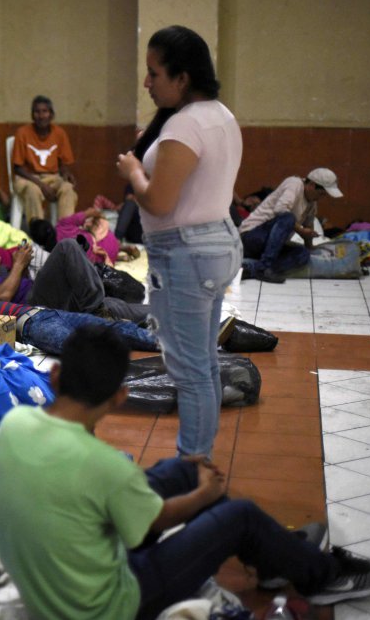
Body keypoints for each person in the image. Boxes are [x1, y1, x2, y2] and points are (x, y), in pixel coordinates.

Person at [0, 325, 370, 619]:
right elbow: (152, 521)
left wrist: (192, 484)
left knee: (178, 471)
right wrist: (204, 494)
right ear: (120, 396)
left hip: (49, 583)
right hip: (105, 605)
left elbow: (96, 486)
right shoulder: (102, 464)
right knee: (239, 515)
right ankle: (322, 577)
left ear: (55, 375)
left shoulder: (15, 424)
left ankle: (277, 559)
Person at [116, 25, 243, 458]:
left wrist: (134, 172)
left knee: (189, 372)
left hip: (186, 253)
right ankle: (199, 463)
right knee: (203, 364)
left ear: (182, 77)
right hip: (216, 242)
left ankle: (192, 467)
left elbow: (158, 201)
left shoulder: (185, 127)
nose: (147, 83)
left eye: (154, 73)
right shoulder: (220, 115)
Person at [0, 273, 160, 353]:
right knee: (83, 347)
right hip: (31, 325)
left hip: (45, 312)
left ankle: (164, 343)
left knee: (109, 327)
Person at [0, 240, 148, 323]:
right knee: (67, 247)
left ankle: (171, 314)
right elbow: (2, 296)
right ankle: (94, 306)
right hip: (34, 302)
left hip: (41, 293)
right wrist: (18, 264)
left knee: (120, 308)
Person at [239, 168, 343, 283]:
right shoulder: (294, 183)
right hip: (250, 237)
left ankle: (253, 269)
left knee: (302, 254)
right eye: (321, 193)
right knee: (288, 217)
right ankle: (264, 267)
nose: (321, 198)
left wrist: (310, 246)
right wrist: (301, 231)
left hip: (268, 247)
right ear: (312, 185)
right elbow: (281, 210)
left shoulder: (312, 204)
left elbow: (308, 230)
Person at [12, 95, 79, 224]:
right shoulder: (22, 133)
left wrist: (66, 174)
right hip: (28, 178)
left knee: (68, 189)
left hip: (53, 177)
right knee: (33, 190)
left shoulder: (59, 133)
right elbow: (18, 168)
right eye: (37, 112)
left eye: (45, 111)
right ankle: (39, 234)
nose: (41, 116)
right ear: (32, 115)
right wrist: (41, 184)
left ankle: (65, 232)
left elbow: (63, 163)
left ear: (51, 115)